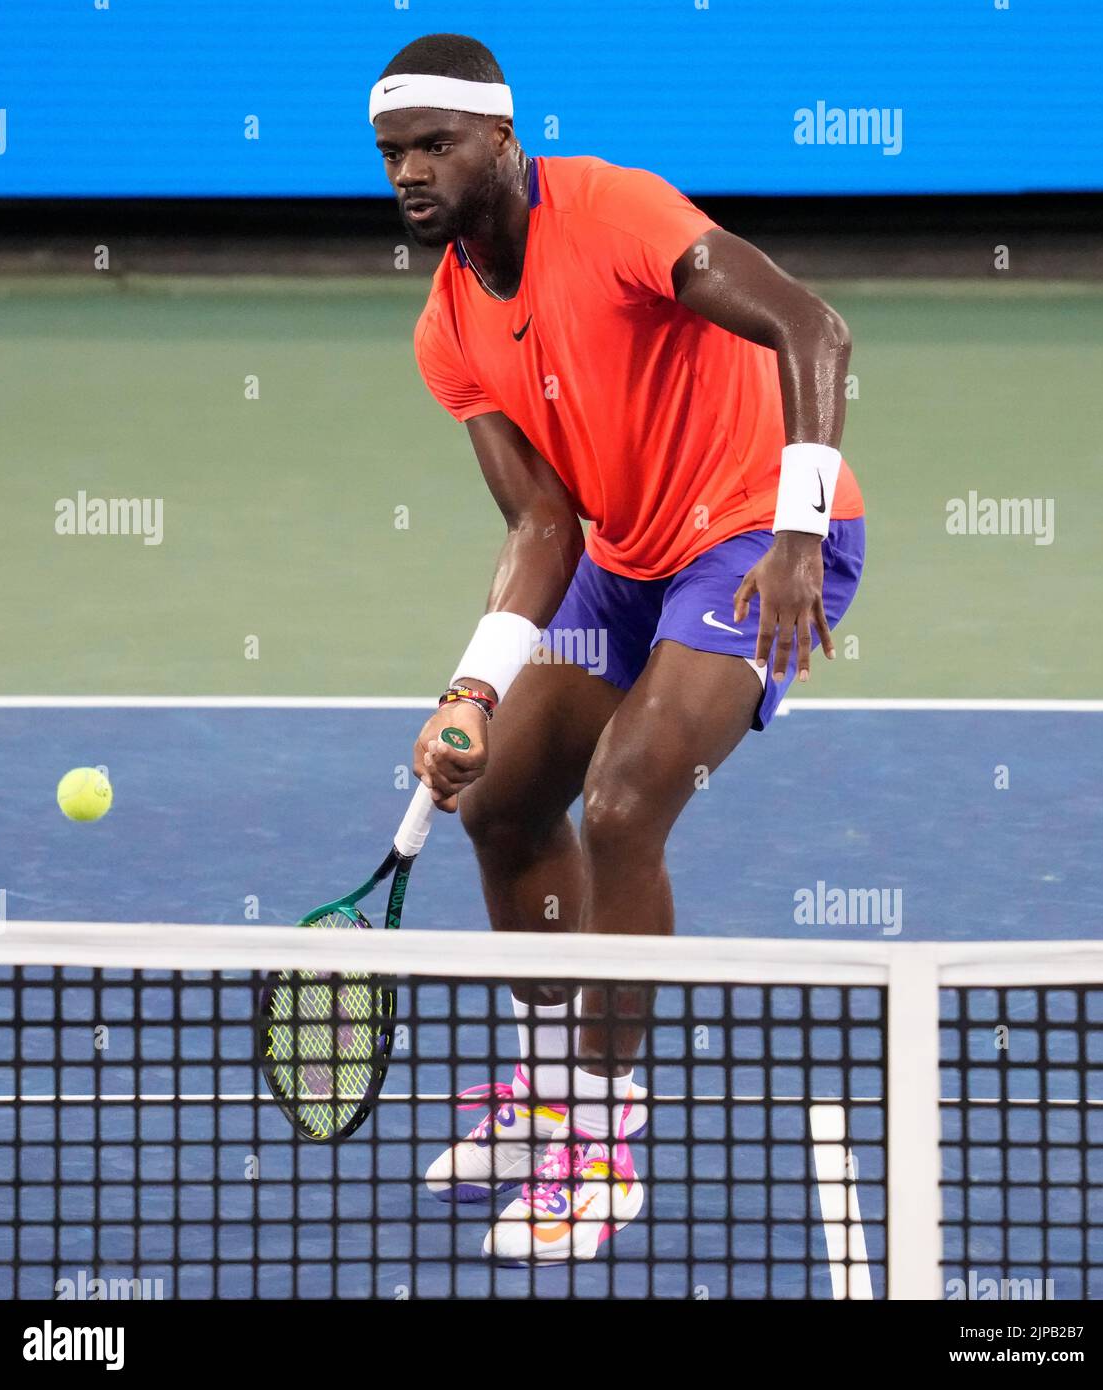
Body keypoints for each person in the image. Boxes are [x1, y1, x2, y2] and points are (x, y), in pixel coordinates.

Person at [371, 32, 866, 1264]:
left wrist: (797, 534)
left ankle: (601, 1128)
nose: (411, 174)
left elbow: (814, 328)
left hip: (758, 540)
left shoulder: (616, 212)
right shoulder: (447, 330)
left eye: (435, 145)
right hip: (629, 559)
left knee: (628, 798)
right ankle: (547, 1086)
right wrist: (473, 688)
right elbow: (545, 525)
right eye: (392, 155)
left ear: (501, 138)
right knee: (499, 800)